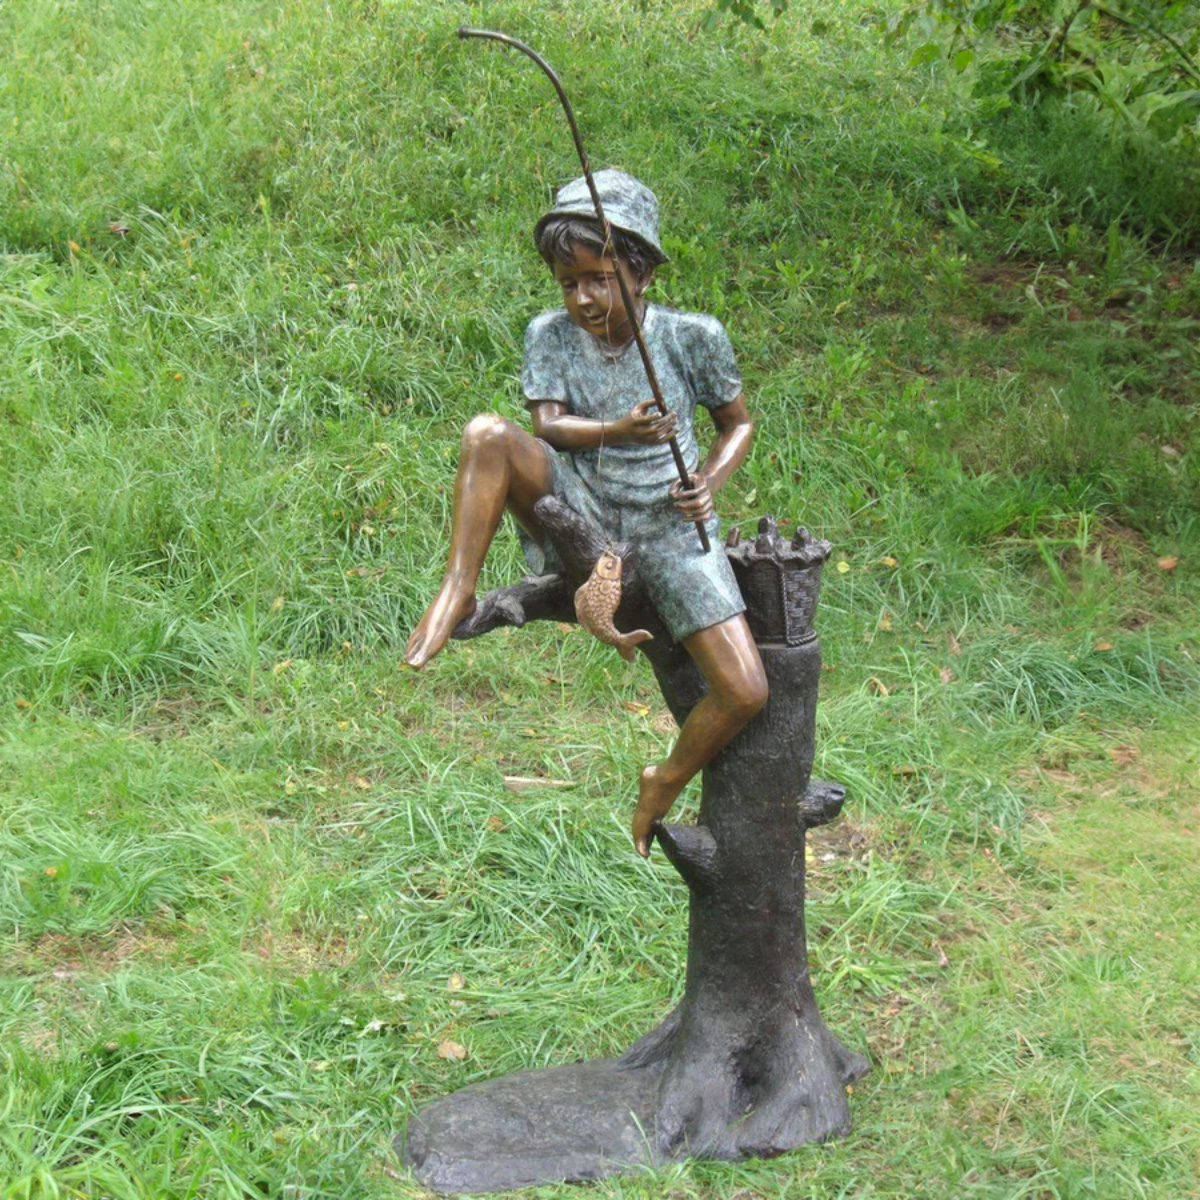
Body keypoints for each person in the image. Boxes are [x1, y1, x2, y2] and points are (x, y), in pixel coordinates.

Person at [404, 169, 767, 856]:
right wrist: (616, 432)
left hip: (669, 523)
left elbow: (737, 425)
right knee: (488, 434)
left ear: (641, 272)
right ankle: (458, 585)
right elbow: (547, 427)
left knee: (744, 689)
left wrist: (710, 484)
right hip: (581, 493)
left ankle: (665, 775)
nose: (583, 298)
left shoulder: (692, 337)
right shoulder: (549, 334)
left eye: (599, 278)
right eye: (569, 283)